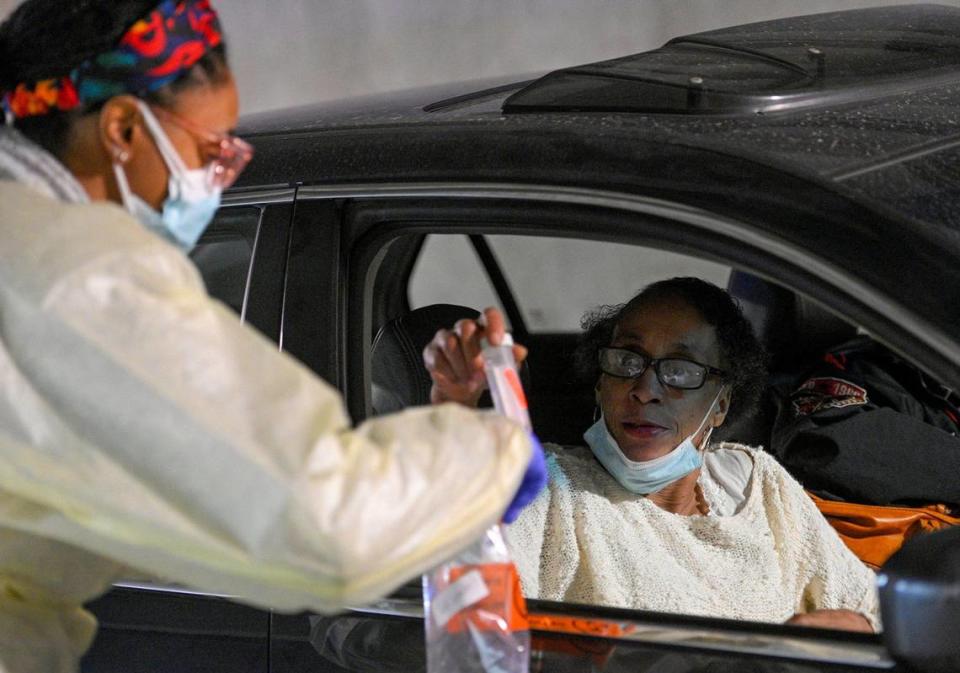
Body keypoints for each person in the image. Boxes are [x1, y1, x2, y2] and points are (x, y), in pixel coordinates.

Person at [0, 2, 544, 671]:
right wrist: (490, 450)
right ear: (120, 128)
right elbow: (325, 523)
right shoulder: (78, 273)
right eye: (208, 151)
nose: (214, 178)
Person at [424, 277, 879, 633]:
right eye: (627, 360)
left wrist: (853, 626)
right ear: (601, 381)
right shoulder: (551, 489)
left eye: (679, 371)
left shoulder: (755, 483)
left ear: (721, 404)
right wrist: (454, 406)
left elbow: (868, 605)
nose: (644, 390)